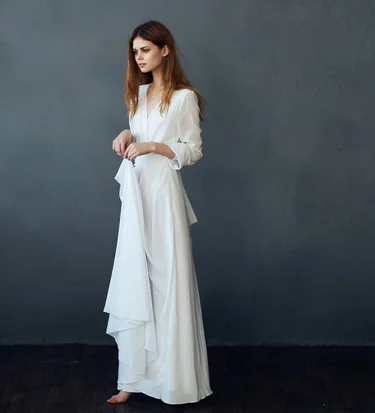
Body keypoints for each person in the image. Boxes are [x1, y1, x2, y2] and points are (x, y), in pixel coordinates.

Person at [103, 20, 213, 405]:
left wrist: (152, 146)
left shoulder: (183, 98)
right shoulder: (139, 94)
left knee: (168, 281)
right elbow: (141, 130)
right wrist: (128, 134)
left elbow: (192, 150)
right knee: (138, 275)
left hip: (164, 193)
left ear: (165, 49)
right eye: (135, 52)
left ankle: (174, 381)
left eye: (145, 50)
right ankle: (132, 379)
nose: (139, 57)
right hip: (137, 194)